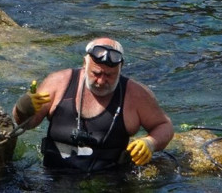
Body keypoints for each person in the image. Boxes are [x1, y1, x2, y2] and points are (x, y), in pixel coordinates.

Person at [12, 37, 174, 173]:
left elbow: (164, 125)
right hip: (53, 175)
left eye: (109, 75)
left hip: (110, 180)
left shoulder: (136, 95)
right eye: (96, 73)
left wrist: (150, 143)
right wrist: (23, 108)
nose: (101, 81)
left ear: (121, 68)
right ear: (85, 64)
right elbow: (24, 125)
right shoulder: (58, 83)